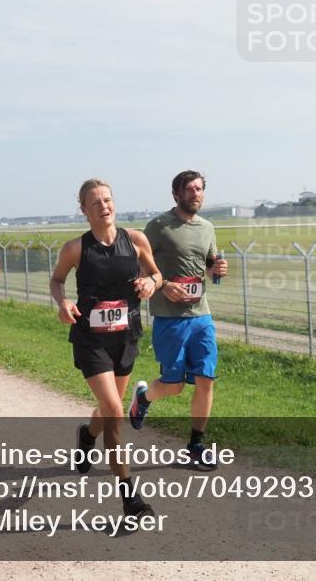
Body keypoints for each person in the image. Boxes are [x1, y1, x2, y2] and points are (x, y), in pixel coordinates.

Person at [50, 179, 160, 519]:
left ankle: (87, 435)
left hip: (125, 337)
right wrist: (63, 301)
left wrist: (149, 284)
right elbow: (56, 280)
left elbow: (157, 275)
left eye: (108, 199)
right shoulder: (76, 248)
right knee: (113, 410)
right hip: (91, 339)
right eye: (95, 202)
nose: (104, 206)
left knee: (106, 411)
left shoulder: (136, 240)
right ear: (84, 210)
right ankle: (130, 498)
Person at [128, 171, 227, 470]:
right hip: (170, 319)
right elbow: (139, 270)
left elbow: (208, 265)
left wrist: (217, 268)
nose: (196, 194)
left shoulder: (207, 228)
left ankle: (196, 445)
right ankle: (144, 399)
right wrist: (163, 284)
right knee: (173, 386)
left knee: (205, 380)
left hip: (202, 316)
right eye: (190, 189)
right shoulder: (158, 227)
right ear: (176, 194)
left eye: (200, 189)